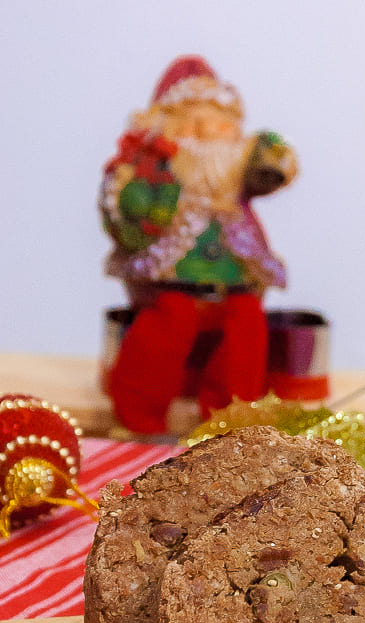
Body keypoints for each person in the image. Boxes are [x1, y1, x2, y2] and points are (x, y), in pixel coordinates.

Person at [100, 56, 298, 433]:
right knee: (168, 323)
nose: (209, 134)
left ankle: (233, 425)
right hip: (172, 280)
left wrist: (271, 153)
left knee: (248, 326)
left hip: (233, 281)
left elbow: (269, 173)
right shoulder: (154, 170)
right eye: (196, 125)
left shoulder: (236, 178)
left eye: (222, 125)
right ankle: (140, 419)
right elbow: (128, 212)